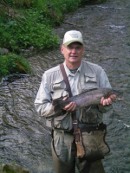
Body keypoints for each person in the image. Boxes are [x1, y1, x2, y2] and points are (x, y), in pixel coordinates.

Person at [34, 30, 116, 173]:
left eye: (78, 47)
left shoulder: (98, 71)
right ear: (62, 49)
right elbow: (40, 107)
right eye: (70, 47)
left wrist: (105, 105)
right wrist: (60, 108)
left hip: (91, 136)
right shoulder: (49, 75)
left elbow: (106, 108)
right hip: (62, 140)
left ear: (83, 49)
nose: (73, 51)